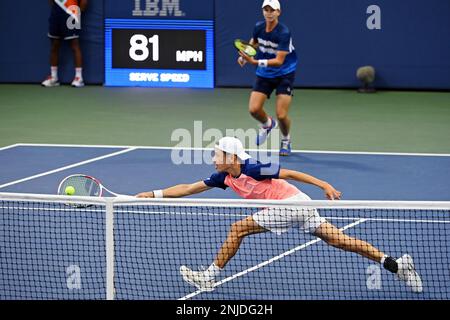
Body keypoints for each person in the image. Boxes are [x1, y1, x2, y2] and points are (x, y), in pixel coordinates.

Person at [136, 136, 423, 293]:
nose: (214, 158)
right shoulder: (224, 177)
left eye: (219, 154)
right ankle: (397, 266)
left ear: (233, 158)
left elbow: (290, 172)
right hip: (298, 207)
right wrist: (153, 194)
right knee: (342, 241)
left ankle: (209, 276)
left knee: (238, 228)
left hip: (293, 205)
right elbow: (189, 188)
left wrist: (324, 184)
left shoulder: (253, 168)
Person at [237, 0, 298, 156]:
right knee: (254, 109)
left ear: (279, 12)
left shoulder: (283, 32)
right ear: (263, 11)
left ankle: (286, 140)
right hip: (264, 74)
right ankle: (267, 124)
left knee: (282, 114)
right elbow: (254, 42)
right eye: (266, 9)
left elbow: (279, 61)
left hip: (285, 73)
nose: (269, 13)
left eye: (273, 10)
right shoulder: (258, 27)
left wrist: (254, 61)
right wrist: (245, 54)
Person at [41, 0, 88, 88]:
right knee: (54, 44)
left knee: (75, 45)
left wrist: (76, 13)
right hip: (56, 14)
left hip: (72, 12)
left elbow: (84, 2)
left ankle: (79, 78)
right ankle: (54, 78)